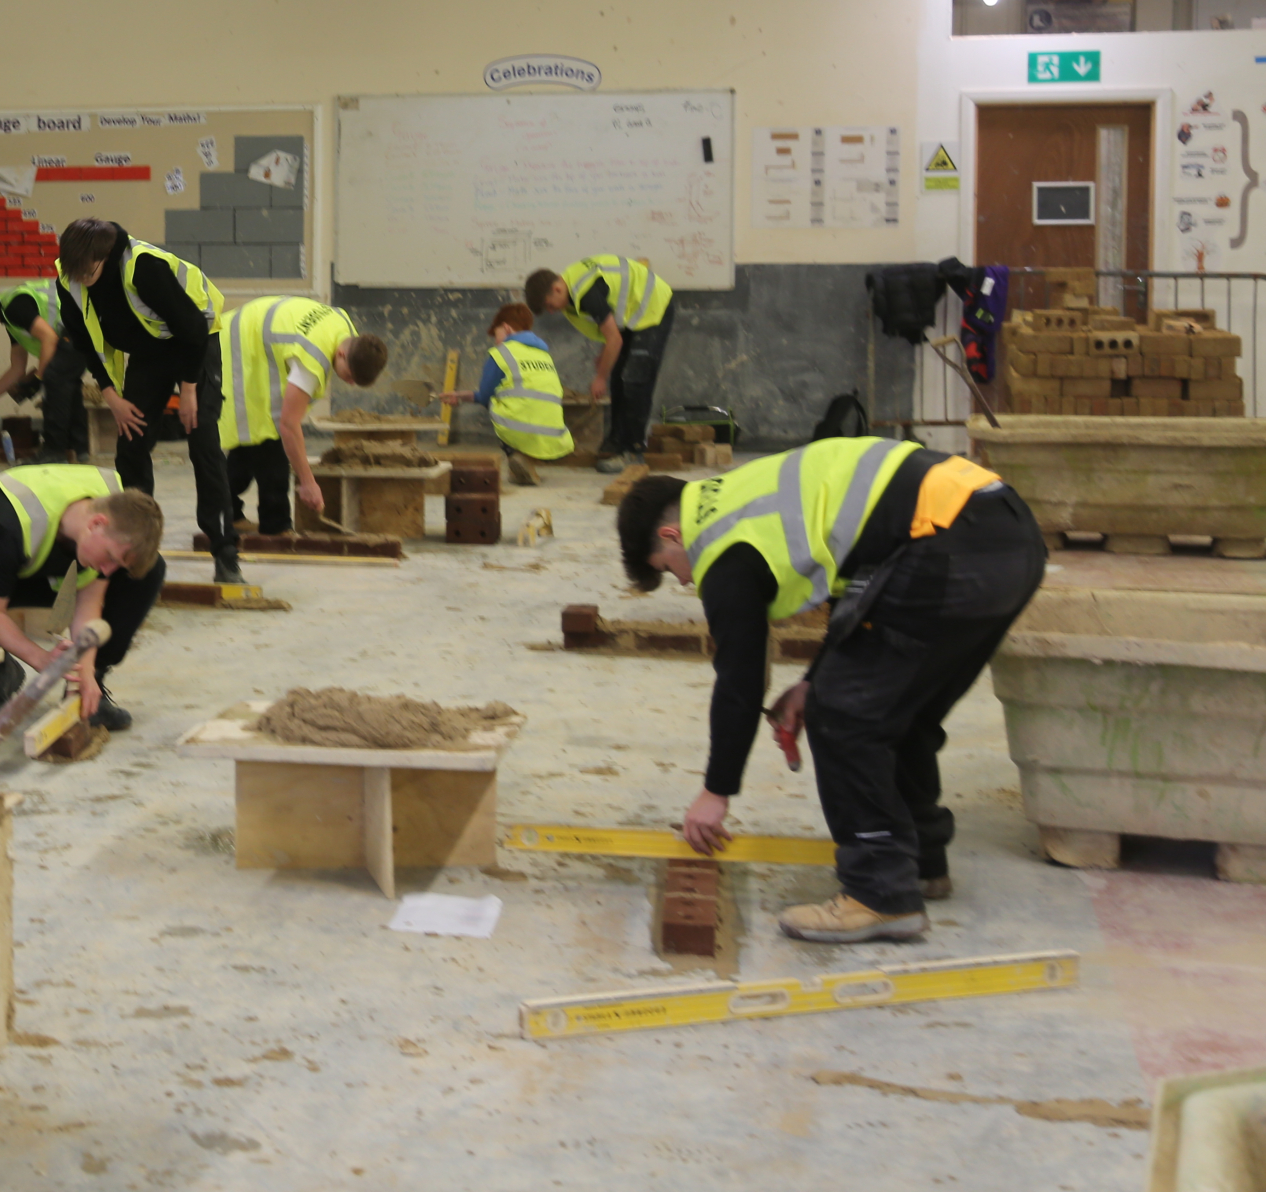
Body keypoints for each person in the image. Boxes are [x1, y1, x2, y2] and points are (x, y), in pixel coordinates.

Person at [617, 436, 1047, 944]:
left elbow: (739, 680)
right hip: (1007, 536)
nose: (685, 583)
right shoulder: (741, 495)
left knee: (845, 718)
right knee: (897, 709)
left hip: (946, 544)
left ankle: (879, 894)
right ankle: (921, 865)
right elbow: (862, 590)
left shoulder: (721, 548)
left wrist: (716, 791)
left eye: (669, 569)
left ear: (671, 534)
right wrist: (813, 681)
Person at [53, 219, 240, 584]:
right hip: (148, 353)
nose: (83, 280)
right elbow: (83, 341)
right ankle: (135, 550)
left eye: (89, 273)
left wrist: (189, 390)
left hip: (194, 346)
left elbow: (193, 329)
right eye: (76, 274)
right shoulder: (69, 277)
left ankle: (225, 551)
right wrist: (112, 397)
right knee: (132, 443)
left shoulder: (144, 268)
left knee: (203, 441)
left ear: (105, 256)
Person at [0, 466, 166, 732]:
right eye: (110, 557)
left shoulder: (117, 511)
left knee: (148, 572)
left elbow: (89, 604)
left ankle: (90, 689)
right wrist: (41, 659)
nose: (108, 570)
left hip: (41, 565)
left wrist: (86, 670)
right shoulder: (12, 519)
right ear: (95, 524)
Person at [219, 296, 388, 539]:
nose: (350, 383)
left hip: (253, 341)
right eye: (350, 376)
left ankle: (224, 511)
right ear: (341, 354)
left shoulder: (346, 329)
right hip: (235, 348)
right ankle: (276, 527)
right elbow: (288, 425)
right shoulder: (313, 357)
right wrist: (308, 482)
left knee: (251, 441)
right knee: (270, 442)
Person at [526, 255, 676, 473]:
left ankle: (633, 451)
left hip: (653, 307)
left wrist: (599, 378)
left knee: (635, 379)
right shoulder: (571, 293)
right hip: (633, 316)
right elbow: (610, 330)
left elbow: (615, 339)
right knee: (619, 378)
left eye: (549, 305)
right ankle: (616, 441)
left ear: (557, 289)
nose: (551, 311)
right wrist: (606, 353)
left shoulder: (586, 292)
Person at [439, 302, 574, 485]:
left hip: (520, 428)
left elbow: (485, 396)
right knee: (515, 398)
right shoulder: (544, 355)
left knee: (496, 400)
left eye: (496, 334)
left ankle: (515, 454)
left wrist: (468, 397)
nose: (496, 341)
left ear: (506, 328)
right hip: (555, 434)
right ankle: (528, 460)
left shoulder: (501, 353)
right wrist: (461, 396)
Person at [0, 281, 87, 461]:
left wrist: (38, 378)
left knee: (54, 379)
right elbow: (17, 368)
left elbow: (49, 338)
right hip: (78, 328)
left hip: (81, 326)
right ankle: (79, 448)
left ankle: (54, 451)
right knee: (65, 383)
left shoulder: (14, 307)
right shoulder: (10, 320)